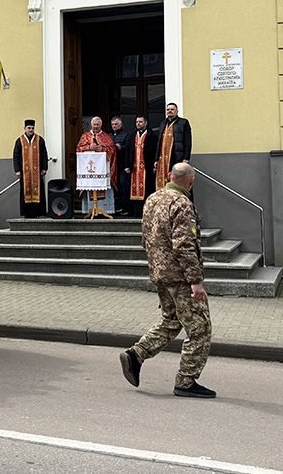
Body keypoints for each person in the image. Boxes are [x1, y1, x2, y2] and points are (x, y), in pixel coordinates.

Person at [119, 163, 215, 398]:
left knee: (171, 320)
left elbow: (145, 238)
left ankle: (136, 354)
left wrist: (157, 266)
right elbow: (184, 244)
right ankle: (186, 380)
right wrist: (195, 280)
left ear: (170, 176)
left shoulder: (152, 199)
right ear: (190, 182)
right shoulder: (182, 203)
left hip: (160, 274)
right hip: (180, 277)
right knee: (200, 328)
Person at [76, 116, 116, 215]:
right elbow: (78, 149)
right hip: (89, 170)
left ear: (101, 125)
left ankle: (104, 210)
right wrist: (89, 147)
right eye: (94, 124)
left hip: (102, 169)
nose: (96, 126)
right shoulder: (85, 136)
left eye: (98, 125)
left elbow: (112, 150)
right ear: (91, 125)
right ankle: (89, 209)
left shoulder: (106, 137)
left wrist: (102, 149)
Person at [12, 119, 48, 218]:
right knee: (25, 191)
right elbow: (16, 156)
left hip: (37, 172)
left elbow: (44, 155)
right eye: (29, 128)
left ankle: (38, 213)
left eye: (32, 128)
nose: (31, 130)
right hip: (24, 172)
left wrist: (44, 168)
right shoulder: (19, 141)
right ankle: (27, 213)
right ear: (24, 128)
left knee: (38, 191)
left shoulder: (39, 140)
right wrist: (17, 170)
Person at [155, 103, 192, 191]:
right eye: (168, 109)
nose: (169, 111)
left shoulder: (183, 122)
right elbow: (159, 142)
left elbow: (188, 141)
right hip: (163, 160)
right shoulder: (163, 123)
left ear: (177, 111)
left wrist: (186, 158)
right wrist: (156, 159)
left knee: (179, 181)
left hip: (177, 156)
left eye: (172, 109)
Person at [126, 116, 156, 218]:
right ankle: (136, 213)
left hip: (147, 168)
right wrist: (127, 165)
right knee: (134, 189)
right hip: (134, 168)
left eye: (140, 121)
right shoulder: (132, 135)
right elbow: (128, 151)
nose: (138, 123)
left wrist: (155, 163)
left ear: (145, 123)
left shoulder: (152, 135)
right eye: (137, 122)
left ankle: (147, 212)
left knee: (147, 189)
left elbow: (155, 151)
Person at [110, 117, 130, 215]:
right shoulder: (109, 136)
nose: (114, 126)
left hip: (122, 165)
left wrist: (121, 147)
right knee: (113, 187)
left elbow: (129, 149)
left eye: (116, 124)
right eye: (113, 124)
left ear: (121, 125)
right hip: (111, 166)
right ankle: (114, 206)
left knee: (123, 186)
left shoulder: (126, 135)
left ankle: (124, 207)